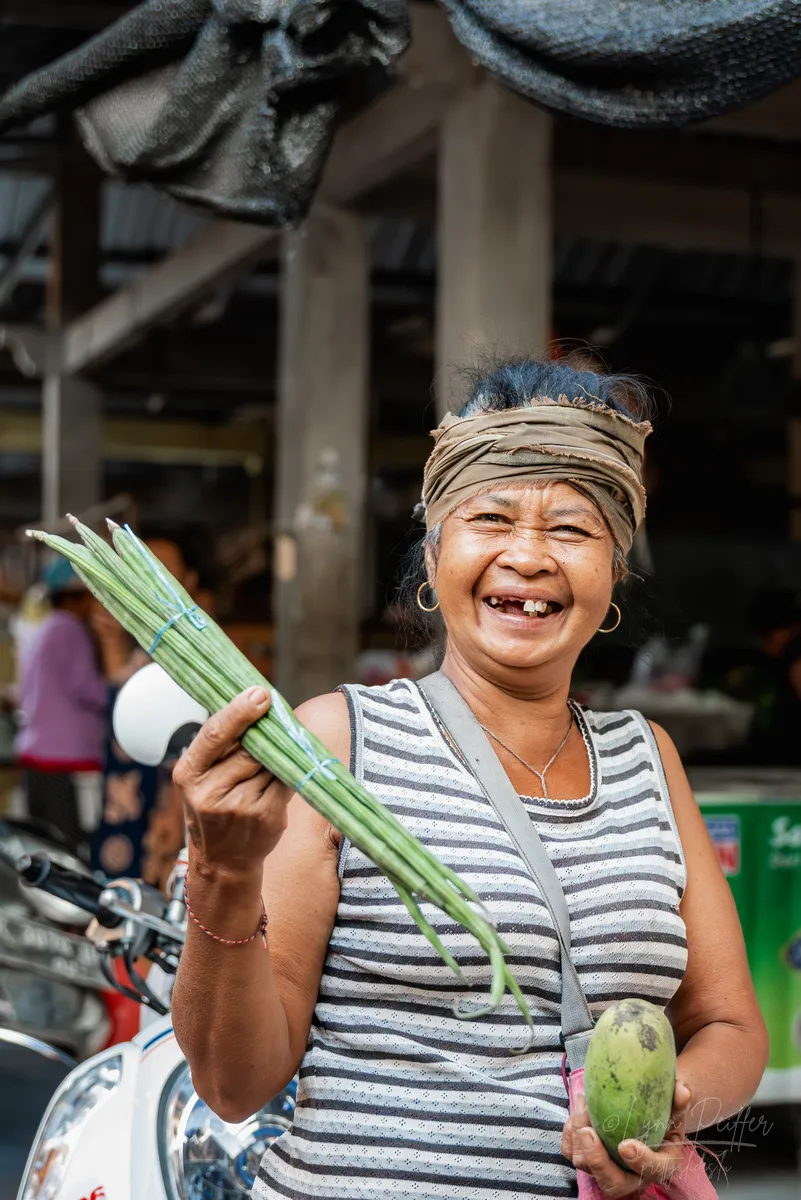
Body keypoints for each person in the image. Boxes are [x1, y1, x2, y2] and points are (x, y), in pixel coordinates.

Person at [171, 358, 768, 1198]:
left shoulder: (647, 756)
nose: (526, 557)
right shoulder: (338, 743)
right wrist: (223, 875)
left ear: (615, 574)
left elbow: (730, 1026)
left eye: (570, 529)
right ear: (434, 553)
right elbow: (236, 1084)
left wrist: (669, 1108)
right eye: (489, 517)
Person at [91, 534, 204, 882]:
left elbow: (191, 738)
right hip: (125, 788)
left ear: (188, 581)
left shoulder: (194, 645)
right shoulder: (137, 635)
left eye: (164, 572)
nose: (153, 581)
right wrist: (111, 640)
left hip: (167, 794)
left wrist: (174, 813)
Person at [16, 558, 107, 854]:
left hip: (38, 754)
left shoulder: (42, 628)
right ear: (77, 595)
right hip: (64, 757)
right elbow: (86, 687)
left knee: (46, 847)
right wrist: (119, 695)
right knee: (68, 850)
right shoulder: (69, 628)